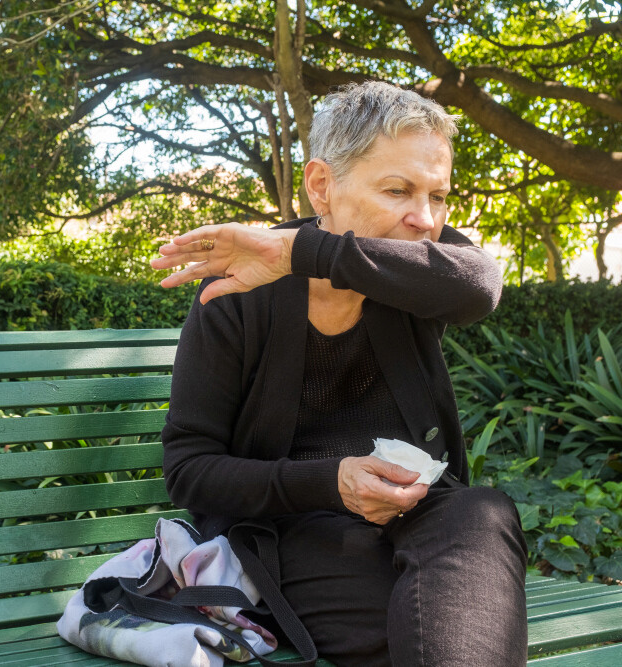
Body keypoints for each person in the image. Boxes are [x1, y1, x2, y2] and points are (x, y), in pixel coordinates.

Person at [149, 81, 528, 666]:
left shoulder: (412, 267)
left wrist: (305, 252)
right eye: (398, 189)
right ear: (322, 185)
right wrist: (333, 481)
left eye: (439, 195)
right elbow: (190, 469)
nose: (425, 219)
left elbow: (479, 287)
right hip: (293, 532)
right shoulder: (235, 299)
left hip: (424, 519)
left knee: (483, 512)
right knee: (440, 631)